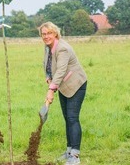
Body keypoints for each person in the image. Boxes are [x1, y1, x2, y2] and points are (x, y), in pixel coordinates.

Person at [39, 22, 87, 165]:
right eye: (43, 34)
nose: (46, 36)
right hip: (62, 85)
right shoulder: (48, 47)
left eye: (49, 33)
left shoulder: (62, 49)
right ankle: (69, 151)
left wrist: (51, 90)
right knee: (67, 118)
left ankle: (75, 156)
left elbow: (61, 70)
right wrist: (48, 76)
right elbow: (47, 63)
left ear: (55, 33)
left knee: (72, 118)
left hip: (76, 85)